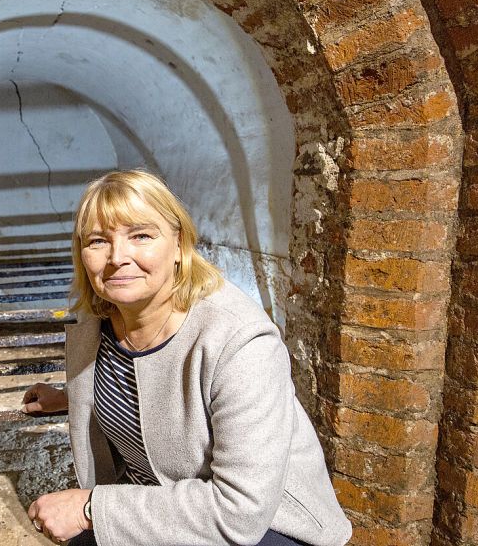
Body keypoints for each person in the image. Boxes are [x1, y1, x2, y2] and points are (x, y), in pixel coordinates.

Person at [20, 170, 352, 546]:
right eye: (98, 241)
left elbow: (238, 512)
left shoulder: (241, 342)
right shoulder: (97, 323)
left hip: (265, 525)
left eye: (141, 236)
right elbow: (148, 390)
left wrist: (90, 507)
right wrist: (75, 396)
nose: (117, 257)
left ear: (179, 245)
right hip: (168, 503)